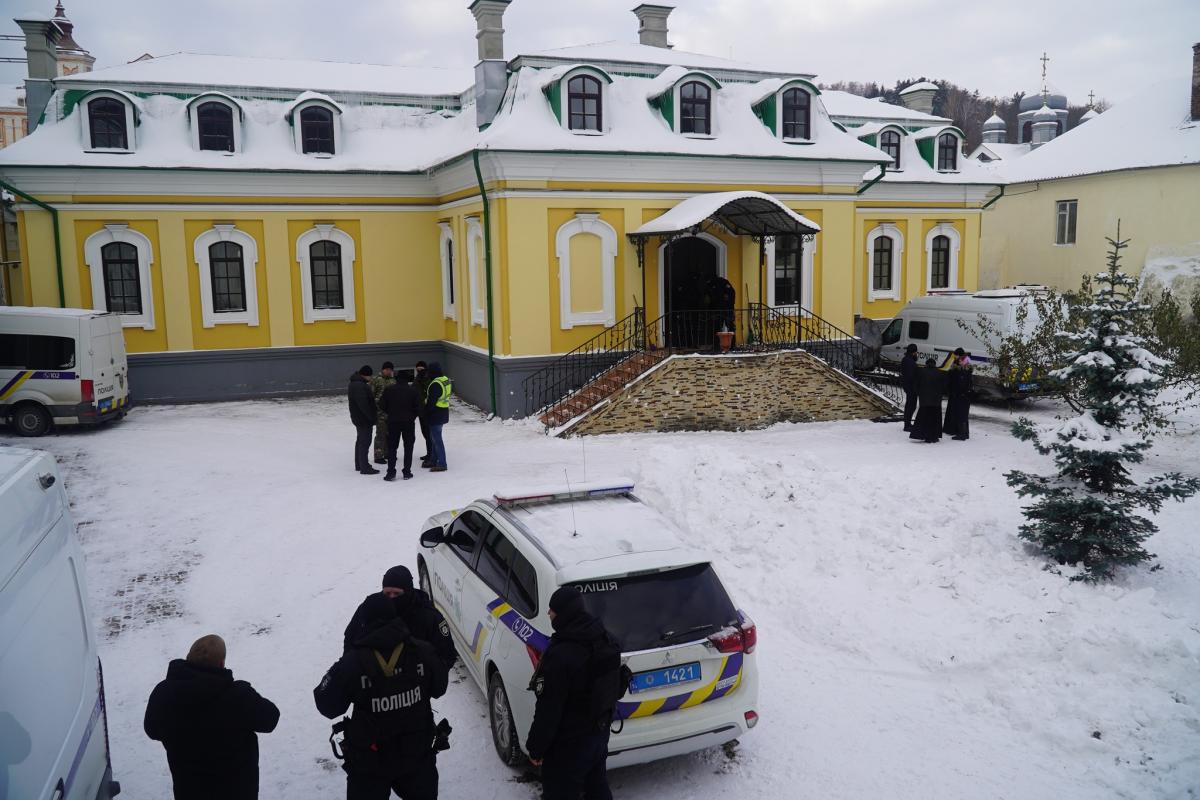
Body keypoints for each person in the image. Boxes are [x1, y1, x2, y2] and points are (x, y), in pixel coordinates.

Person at [315, 594, 448, 800]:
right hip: (416, 754)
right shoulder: (422, 651)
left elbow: (327, 705)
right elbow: (440, 687)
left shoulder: (352, 663)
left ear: (364, 622)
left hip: (369, 760)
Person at [144, 634, 280, 800]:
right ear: (222, 664)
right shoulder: (238, 696)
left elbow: (151, 730)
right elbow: (271, 718)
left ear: (188, 658)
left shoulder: (164, 693)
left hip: (188, 791)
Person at [525, 587, 623, 800]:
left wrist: (536, 748)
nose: (549, 614)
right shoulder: (605, 638)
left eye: (553, 610)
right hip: (599, 735)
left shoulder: (560, 656)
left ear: (564, 614)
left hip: (569, 746)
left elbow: (548, 710)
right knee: (597, 786)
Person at [343, 566, 457, 678]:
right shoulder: (370, 608)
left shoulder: (428, 616)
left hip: (414, 685)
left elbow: (447, 655)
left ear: (408, 591)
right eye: (387, 594)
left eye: (397, 594)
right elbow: (350, 638)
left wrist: (426, 680)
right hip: (374, 683)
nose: (392, 598)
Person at [380, 369, 421, 481]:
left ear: (396, 379)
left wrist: (391, 413)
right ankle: (407, 472)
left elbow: (382, 405)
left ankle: (391, 472)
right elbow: (418, 408)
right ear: (407, 380)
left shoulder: (389, 390)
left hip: (393, 422)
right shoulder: (413, 391)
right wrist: (412, 416)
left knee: (392, 448)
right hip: (408, 422)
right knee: (408, 447)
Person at [908, 358, 947, 444]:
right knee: (934, 419)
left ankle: (923, 435)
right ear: (934, 364)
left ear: (926, 364)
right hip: (936, 402)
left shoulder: (921, 372)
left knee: (923, 418)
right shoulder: (940, 373)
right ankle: (933, 436)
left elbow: (916, 385)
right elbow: (944, 387)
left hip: (924, 401)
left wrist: (920, 394)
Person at [349, 365, 379, 475]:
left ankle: (359, 464)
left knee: (360, 441)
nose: (371, 378)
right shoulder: (359, 386)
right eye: (370, 376)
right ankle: (364, 467)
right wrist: (371, 417)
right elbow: (364, 405)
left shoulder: (355, 383)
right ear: (365, 375)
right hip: (363, 419)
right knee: (365, 442)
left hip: (359, 418)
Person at [423, 363, 451, 473]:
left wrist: (425, 413)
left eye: (429, 371)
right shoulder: (445, 379)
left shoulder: (435, 384)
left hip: (436, 414)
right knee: (434, 438)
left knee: (437, 440)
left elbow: (431, 403)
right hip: (443, 412)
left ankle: (442, 463)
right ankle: (433, 460)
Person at [370, 362, 397, 465]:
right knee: (380, 434)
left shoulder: (393, 381)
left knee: (390, 434)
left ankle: (387, 453)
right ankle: (378, 455)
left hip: (391, 413)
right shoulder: (376, 380)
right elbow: (371, 395)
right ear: (383, 370)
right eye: (387, 369)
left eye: (390, 370)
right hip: (380, 413)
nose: (389, 371)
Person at [943, 348, 973, 441]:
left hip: (960, 394)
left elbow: (961, 382)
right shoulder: (962, 366)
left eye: (956, 355)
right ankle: (963, 432)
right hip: (960, 393)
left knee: (961, 413)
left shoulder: (963, 368)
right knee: (961, 413)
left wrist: (957, 391)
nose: (954, 357)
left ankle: (961, 433)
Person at [414, 361, 434, 468]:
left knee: (429, 434)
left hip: (428, 410)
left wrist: (424, 379)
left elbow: (429, 391)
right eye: (418, 369)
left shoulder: (428, 378)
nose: (419, 371)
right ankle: (429, 453)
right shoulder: (417, 378)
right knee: (425, 433)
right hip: (421, 410)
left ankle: (432, 454)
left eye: (421, 369)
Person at [899, 343, 919, 432]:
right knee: (911, 406)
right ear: (913, 352)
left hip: (908, 386)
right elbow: (911, 376)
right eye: (916, 352)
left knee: (910, 405)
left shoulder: (906, 359)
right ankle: (907, 425)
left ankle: (907, 423)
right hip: (911, 387)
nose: (917, 354)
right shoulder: (910, 362)